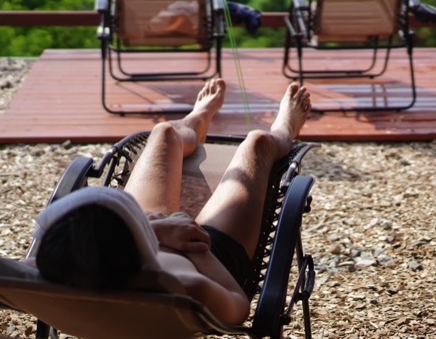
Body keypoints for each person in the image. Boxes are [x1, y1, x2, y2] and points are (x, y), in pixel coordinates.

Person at [33, 78, 311, 325]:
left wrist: (154, 231)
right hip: (209, 253)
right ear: (137, 247)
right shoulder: (187, 285)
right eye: (138, 222)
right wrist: (195, 248)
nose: (147, 221)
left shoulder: (58, 268)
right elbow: (239, 308)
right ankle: (284, 129)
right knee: (258, 144)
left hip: (117, 249)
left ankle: (198, 118)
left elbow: (2, 266)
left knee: (165, 133)